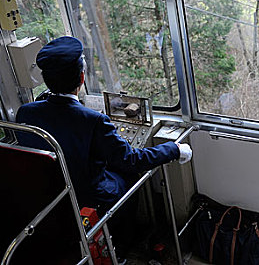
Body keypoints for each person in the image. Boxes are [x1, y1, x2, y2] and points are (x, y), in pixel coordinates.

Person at [16, 35, 192, 220]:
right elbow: (132, 161)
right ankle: (124, 236)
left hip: (52, 196)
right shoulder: (94, 121)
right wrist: (174, 149)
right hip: (89, 199)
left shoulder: (26, 112)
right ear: (82, 77)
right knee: (130, 176)